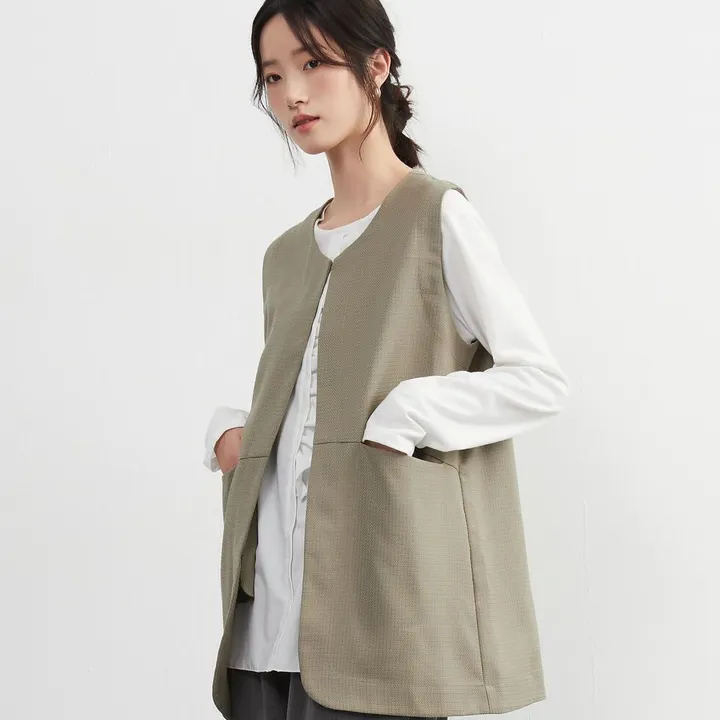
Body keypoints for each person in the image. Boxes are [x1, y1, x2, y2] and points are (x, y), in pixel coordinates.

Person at [203, 1, 571, 719]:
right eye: (272, 76)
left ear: (377, 66)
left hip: (380, 622)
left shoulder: (436, 217)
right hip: (264, 630)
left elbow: (538, 380)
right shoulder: (285, 255)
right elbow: (313, 400)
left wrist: (410, 412)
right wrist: (237, 436)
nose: (291, 94)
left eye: (313, 63)